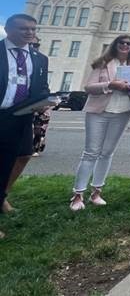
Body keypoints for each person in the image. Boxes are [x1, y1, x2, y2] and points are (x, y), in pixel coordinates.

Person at [69, 35, 130, 211]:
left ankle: (96, 192)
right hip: (99, 111)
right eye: (121, 43)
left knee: (107, 153)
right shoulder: (103, 63)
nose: (125, 46)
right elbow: (89, 87)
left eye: (129, 44)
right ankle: (78, 194)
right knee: (91, 152)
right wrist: (111, 84)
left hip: (122, 112)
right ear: (115, 45)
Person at [0, 14, 49, 239]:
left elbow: (41, 87)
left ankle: (3, 196)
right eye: (23, 29)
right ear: (8, 29)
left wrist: (46, 101)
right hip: (2, 111)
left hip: (22, 115)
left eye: (32, 29)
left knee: (23, 155)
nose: (29, 32)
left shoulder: (39, 58)